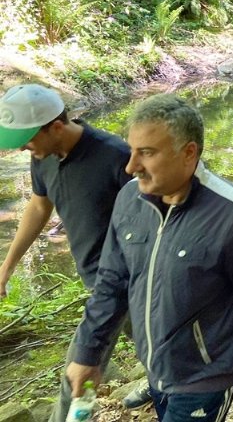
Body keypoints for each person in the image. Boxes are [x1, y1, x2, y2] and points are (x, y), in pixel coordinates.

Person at [65, 94, 233, 422]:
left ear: (189, 153)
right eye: (131, 151)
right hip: (157, 367)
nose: (131, 166)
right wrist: (89, 352)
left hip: (206, 377)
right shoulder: (130, 199)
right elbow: (111, 283)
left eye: (146, 153)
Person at [0, 84, 152, 420]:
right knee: (147, 343)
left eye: (28, 139)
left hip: (126, 282)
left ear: (55, 126)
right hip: (94, 277)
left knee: (78, 368)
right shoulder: (43, 156)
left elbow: (152, 216)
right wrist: (7, 266)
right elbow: (39, 207)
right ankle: (162, 380)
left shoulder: (115, 156)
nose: (24, 147)